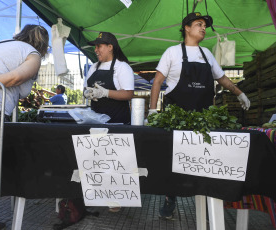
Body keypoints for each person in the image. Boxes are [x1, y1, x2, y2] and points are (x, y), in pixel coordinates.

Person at [149, 12, 250, 219]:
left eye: (204, 25)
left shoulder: (206, 54)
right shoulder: (172, 52)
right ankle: (170, 200)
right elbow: (157, 82)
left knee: (204, 161)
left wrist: (240, 93)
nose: (203, 28)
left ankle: (207, 204)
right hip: (176, 121)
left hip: (204, 121)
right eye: (199, 24)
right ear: (186, 28)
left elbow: (222, 78)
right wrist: (152, 111)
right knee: (173, 162)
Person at [84, 32, 134, 124]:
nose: (95, 50)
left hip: (118, 124)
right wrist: (87, 93)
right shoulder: (93, 67)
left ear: (110, 47)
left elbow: (129, 94)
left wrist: (105, 93)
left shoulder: (122, 67)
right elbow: (85, 88)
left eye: (99, 46)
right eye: (95, 47)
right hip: (97, 123)